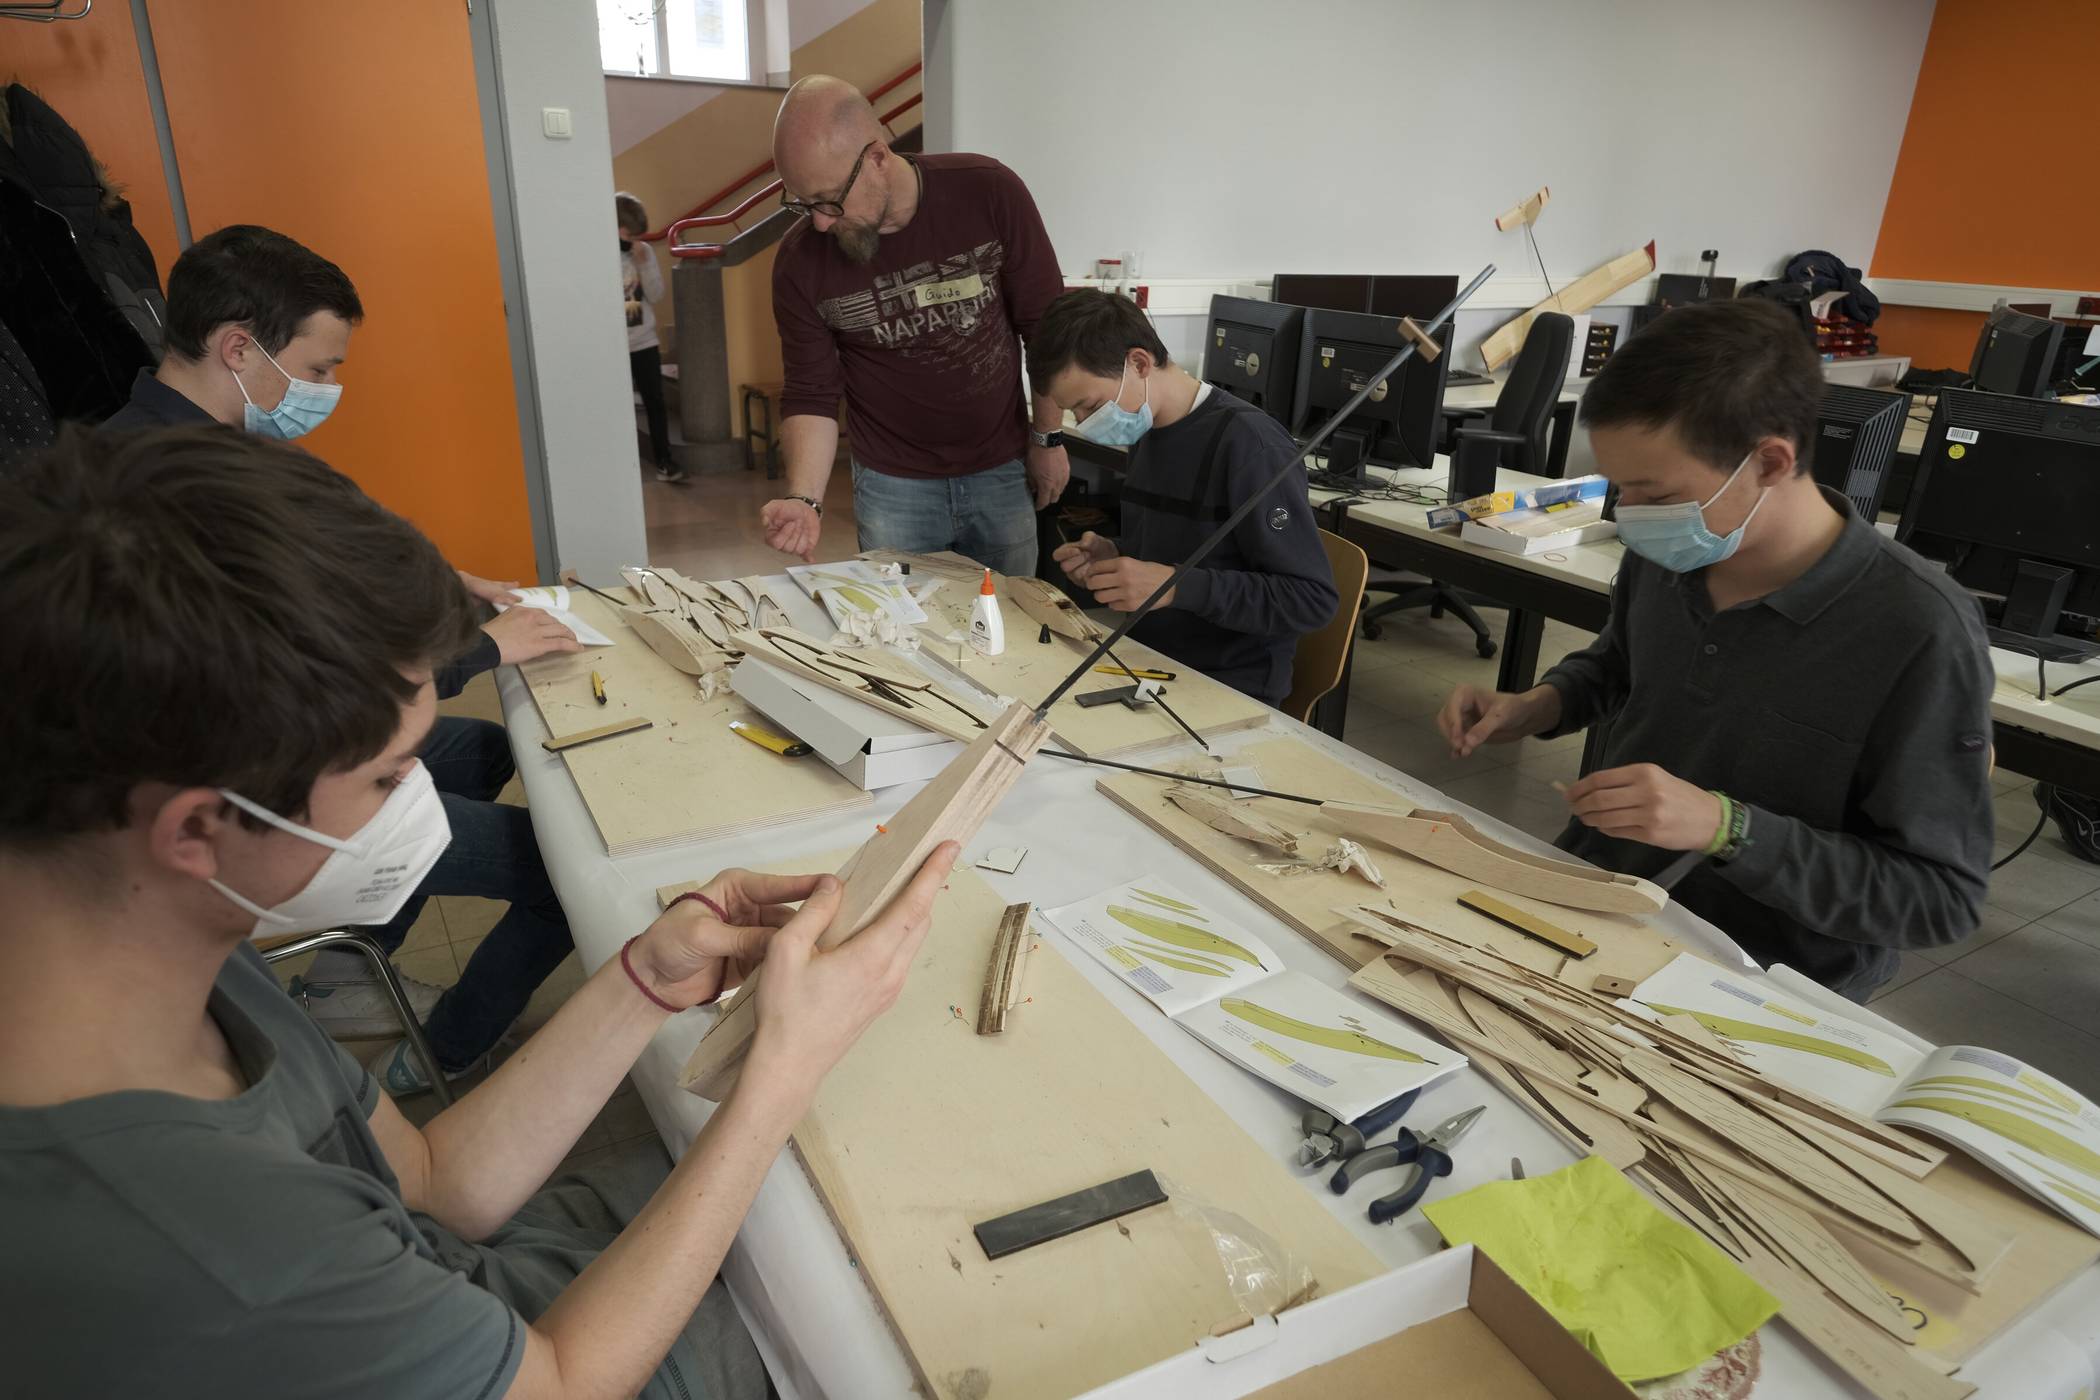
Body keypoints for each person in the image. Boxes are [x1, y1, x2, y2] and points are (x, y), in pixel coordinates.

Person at [0, 424, 958, 1399]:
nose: (419, 796)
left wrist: (644, 979)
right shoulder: (208, 1241)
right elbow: (562, 1383)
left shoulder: (149, 951)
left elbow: (430, 1182)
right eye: (387, 776)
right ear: (198, 828)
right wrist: (783, 1075)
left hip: (444, 1282)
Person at [103, 224, 585, 1090]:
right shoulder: (176, 494)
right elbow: (306, 691)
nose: (327, 390)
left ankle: (344, 975)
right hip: (247, 799)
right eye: (319, 369)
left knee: (480, 751)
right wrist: (482, 647)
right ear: (238, 347)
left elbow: (317, 578)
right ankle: (444, 1057)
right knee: (564, 875)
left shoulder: (172, 442)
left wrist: (440, 581)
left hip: (252, 760)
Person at [1436, 299, 1994, 997]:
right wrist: (1540, 704)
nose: (1631, 515)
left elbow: (1938, 899)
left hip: (1762, 973)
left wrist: (1727, 828)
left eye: (1654, 492)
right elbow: (1620, 665)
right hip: (1600, 901)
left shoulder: (1920, 630)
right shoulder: (1675, 549)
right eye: (1621, 487)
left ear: (1769, 462)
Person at [762, 75, 1068, 575]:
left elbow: (1046, 329)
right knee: (903, 622)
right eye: (802, 202)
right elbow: (811, 392)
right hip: (892, 485)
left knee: (1008, 616)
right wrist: (804, 498)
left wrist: (1047, 438)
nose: (819, 222)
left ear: (877, 157)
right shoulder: (800, 263)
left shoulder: (989, 191)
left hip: (1000, 465)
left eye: (829, 199)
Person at [1031, 289, 1338, 706]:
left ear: (1139, 364)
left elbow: (1310, 600)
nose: (1084, 423)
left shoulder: (1251, 446)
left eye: (1090, 406)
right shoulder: (1147, 429)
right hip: (1148, 663)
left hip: (1229, 684)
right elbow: (1192, 550)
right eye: (1074, 412)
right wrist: (1117, 554)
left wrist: (1176, 587)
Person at [616, 191, 683, 484]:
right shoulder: (597, 250)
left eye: (637, 236)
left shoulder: (643, 251)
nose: (634, 240)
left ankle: (664, 461)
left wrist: (643, 263)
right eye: (629, 235)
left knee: (655, 402)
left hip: (644, 341)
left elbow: (656, 295)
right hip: (613, 344)